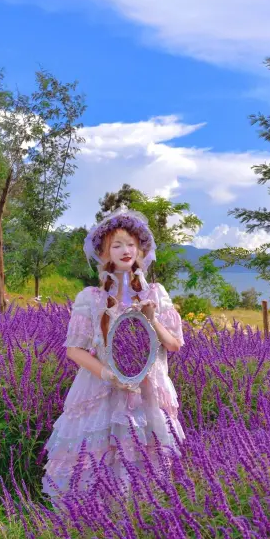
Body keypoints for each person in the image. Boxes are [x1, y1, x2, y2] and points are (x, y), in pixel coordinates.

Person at [41, 209, 185, 507]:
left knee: (147, 459)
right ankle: (92, 524)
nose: (125, 250)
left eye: (130, 244)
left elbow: (174, 345)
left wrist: (152, 319)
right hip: (101, 388)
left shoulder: (156, 293)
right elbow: (74, 350)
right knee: (96, 458)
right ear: (105, 252)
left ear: (141, 249)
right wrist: (109, 374)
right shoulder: (91, 297)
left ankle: (141, 525)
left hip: (149, 391)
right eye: (116, 245)